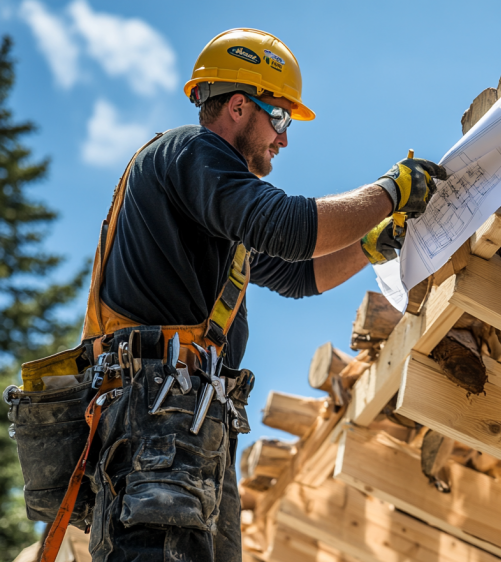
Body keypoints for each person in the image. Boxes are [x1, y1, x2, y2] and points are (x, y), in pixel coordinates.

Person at [73, 28, 445, 561]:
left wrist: (368, 245)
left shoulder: (211, 201)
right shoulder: (189, 153)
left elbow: (295, 274)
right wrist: (391, 192)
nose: (284, 139)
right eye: (281, 119)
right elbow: (290, 227)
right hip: (156, 418)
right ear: (241, 107)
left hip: (185, 421)